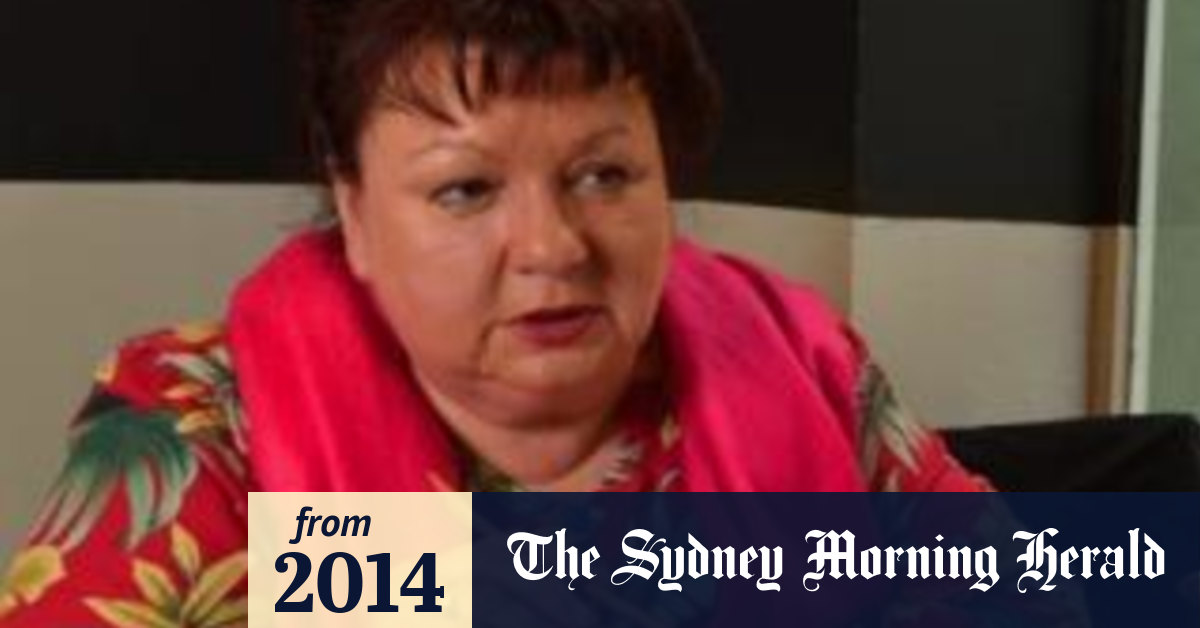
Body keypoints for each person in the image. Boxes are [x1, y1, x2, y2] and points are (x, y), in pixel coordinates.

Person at [0, 0, 989, 624]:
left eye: (604, 175)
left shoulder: (805, 372)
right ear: (355, 209)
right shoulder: (203, 431)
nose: (553, 247)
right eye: (466, 190)